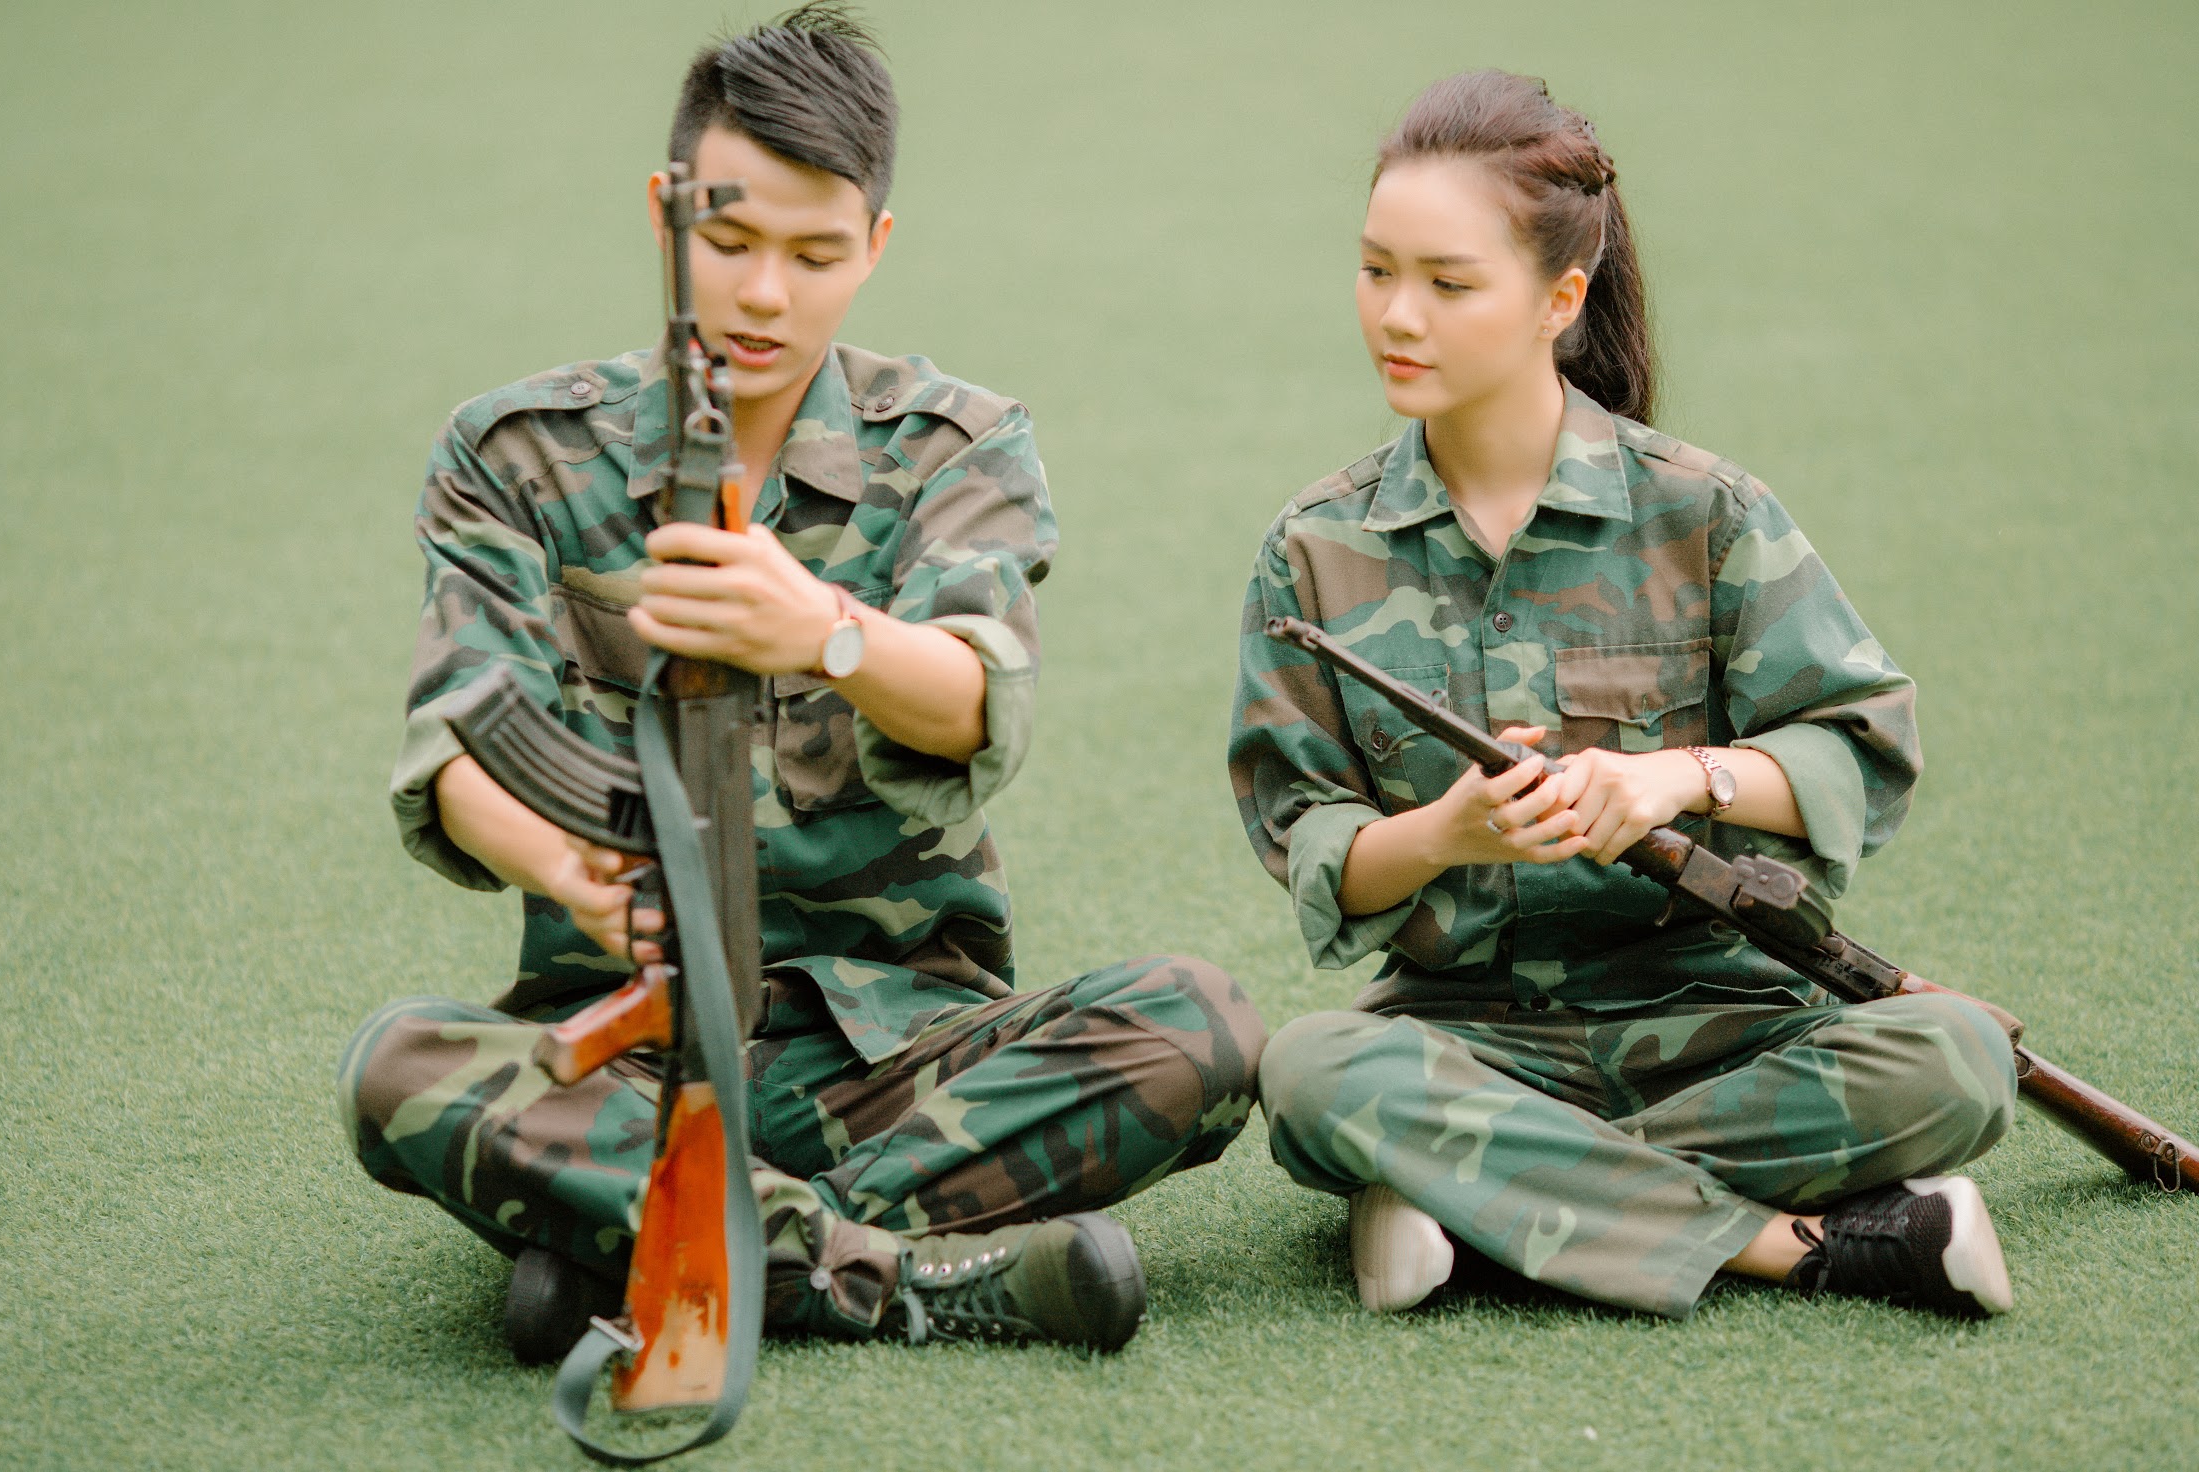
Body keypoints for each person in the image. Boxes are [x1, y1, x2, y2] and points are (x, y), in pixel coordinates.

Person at [338, 4, 1264, 1362]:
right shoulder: (515, 453)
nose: (766, 294)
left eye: (816, 255)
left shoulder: (955, 446)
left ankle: (657, 1241)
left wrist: (821, 627)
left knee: (1200, 1025)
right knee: (398, 1065)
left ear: (874, 245)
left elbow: (980, 702)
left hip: (899, 1053)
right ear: (667, 215)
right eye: (729, 244)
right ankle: (905, 1275)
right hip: (628, 1049)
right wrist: (569, 867)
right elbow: (460, 741)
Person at [1230, 70, 2016, 1323]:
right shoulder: (1316, 547)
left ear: (1561, 298)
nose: (1397, 314)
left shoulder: (1704, 513)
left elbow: (1860, 747)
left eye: (1448, 283)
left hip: (1727, 1022)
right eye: (1376, 270)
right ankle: (1801, 1243)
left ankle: (1476, 1211)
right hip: (1471, 1038)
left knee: (1960, 1057)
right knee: (1313, 1069)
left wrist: (1673, 778)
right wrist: (1449, 832)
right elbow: (1308, 833)